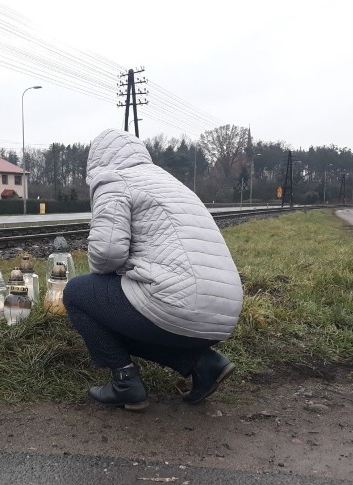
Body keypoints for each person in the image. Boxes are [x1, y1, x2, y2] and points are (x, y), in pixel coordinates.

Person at [63, 128, 243, 410]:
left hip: (180, 302)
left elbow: (107, 253)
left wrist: (115, 272)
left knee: (77, 293)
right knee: (128, 309)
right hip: (225, 310)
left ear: (95, 162)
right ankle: (204, 364)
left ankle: (125, 382)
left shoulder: (112, 179)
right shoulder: (170, 182)